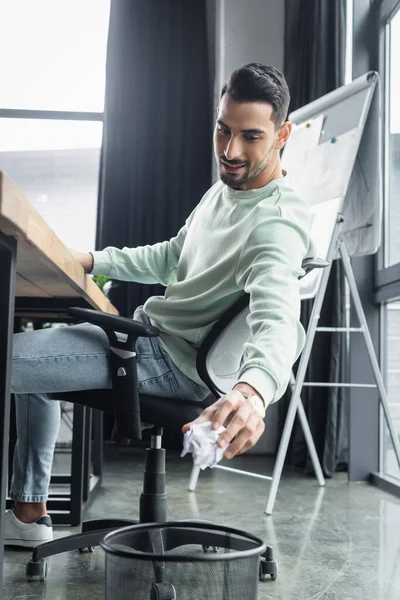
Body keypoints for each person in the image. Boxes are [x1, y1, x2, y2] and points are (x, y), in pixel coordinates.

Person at [4, 63, 316, 547]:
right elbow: (172, 256)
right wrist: (90, 259)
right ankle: (28, 513)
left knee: (12, 362)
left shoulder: (276, 224)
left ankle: (27, 515)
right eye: (222, 130)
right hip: (149, 339)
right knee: (33, 354)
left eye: (250, 137)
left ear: (283, 134)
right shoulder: (227, 190)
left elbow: (278, 319)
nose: (231, 151)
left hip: (170, 362)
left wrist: (253, 392)